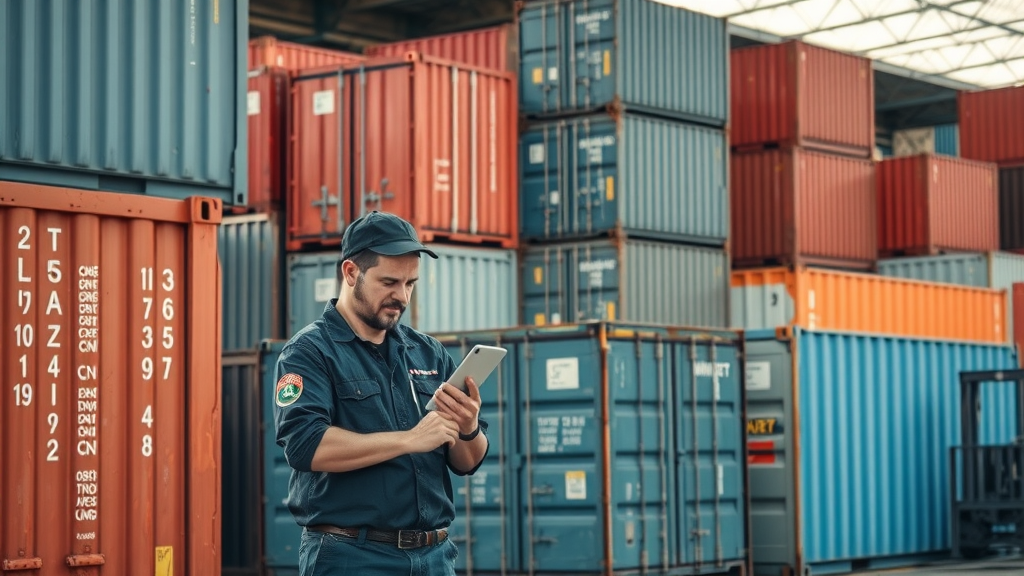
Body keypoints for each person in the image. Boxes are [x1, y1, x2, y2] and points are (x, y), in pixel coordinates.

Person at [273, 211, 489, 576]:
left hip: (435, 557)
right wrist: (408, 440)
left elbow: (468, 462)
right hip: (352, 558)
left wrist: (468, 428)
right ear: (351, 273)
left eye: (410, 283)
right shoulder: (308, 352)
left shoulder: (429, 352)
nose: (401, 296)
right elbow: (305, 445)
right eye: (389, 282)